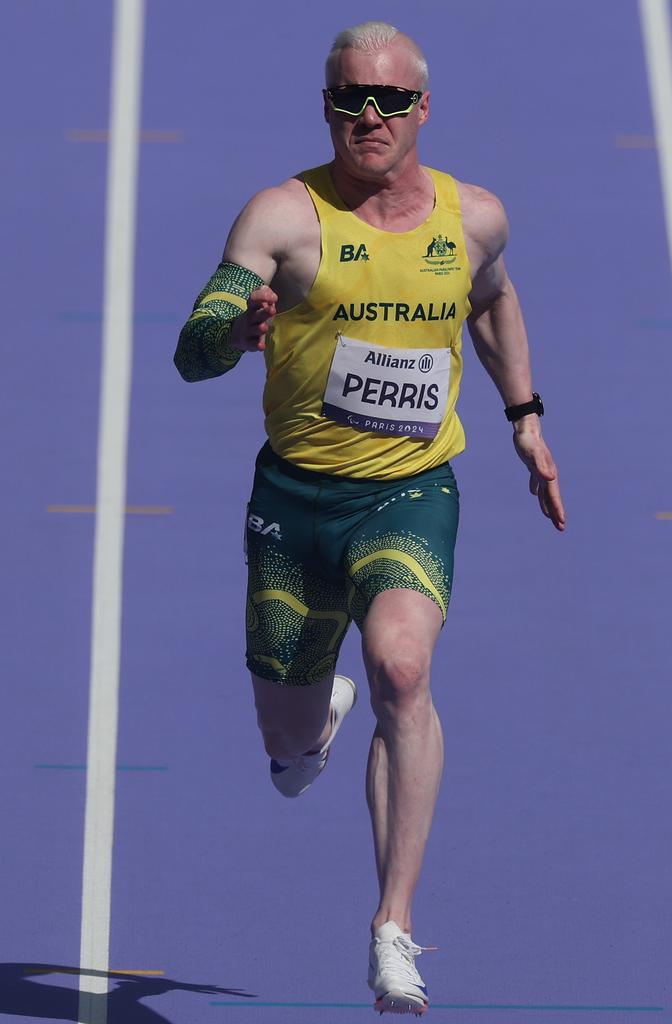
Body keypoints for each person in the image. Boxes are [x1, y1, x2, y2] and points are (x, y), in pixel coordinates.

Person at [174, 21, 565, 1017]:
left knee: (401, 666)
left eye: (389, 100)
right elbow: (194, 345)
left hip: (410, 489)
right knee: (289, 743)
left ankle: (392, 926)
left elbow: (492, 300)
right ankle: (307, 733)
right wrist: (235, 332)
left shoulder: (473, 217)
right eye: (350, 98)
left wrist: (525, 419)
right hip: (297, 500)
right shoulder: (284, 217)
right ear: (327, 106)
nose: (369, 117)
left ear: (422, 108)